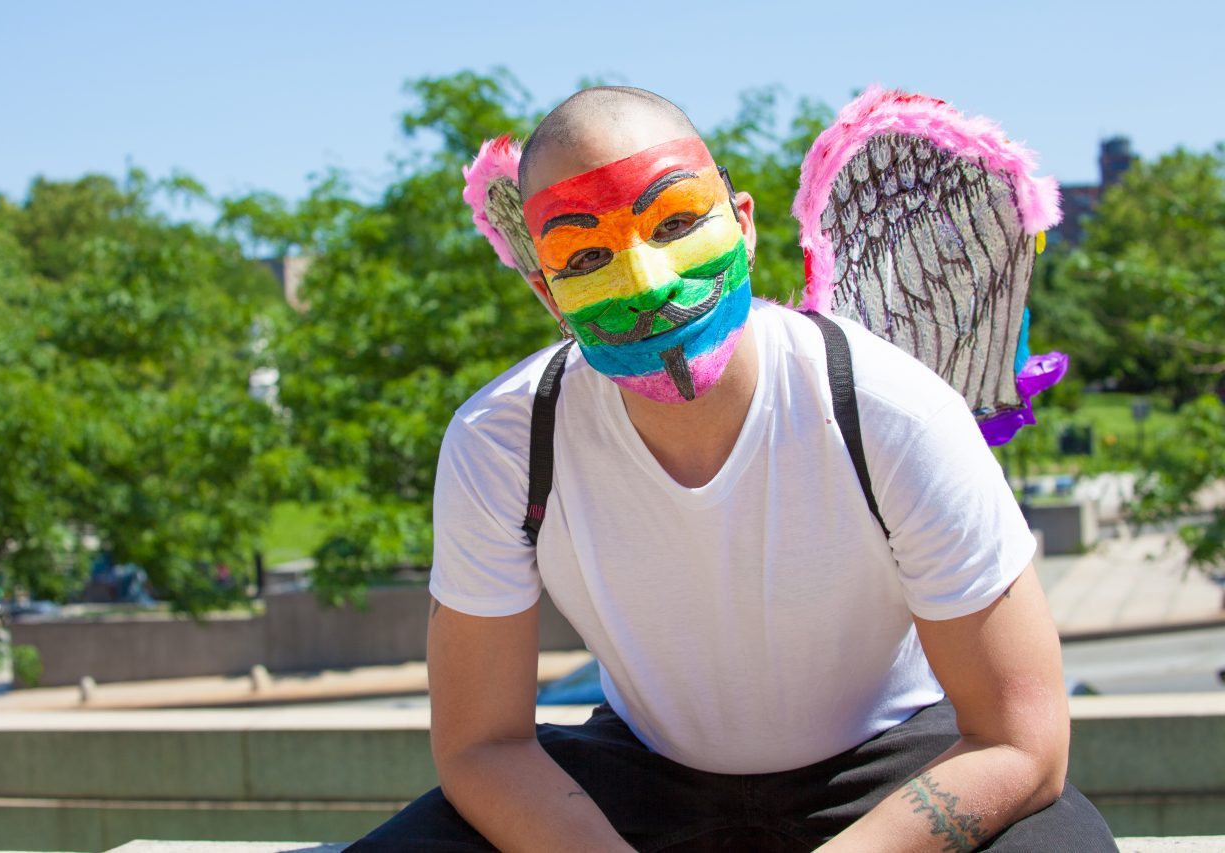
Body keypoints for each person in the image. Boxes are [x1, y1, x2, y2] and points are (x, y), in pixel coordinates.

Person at [348, 87, 1117, 851]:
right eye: (586, 256)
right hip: (638, 779)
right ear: (547, 291)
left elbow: (1022, 741)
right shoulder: (504, 439)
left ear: (743, 225)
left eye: (676, 221)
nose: (648, 284)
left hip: (892, 767)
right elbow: (481, 746)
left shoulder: (894, 409)